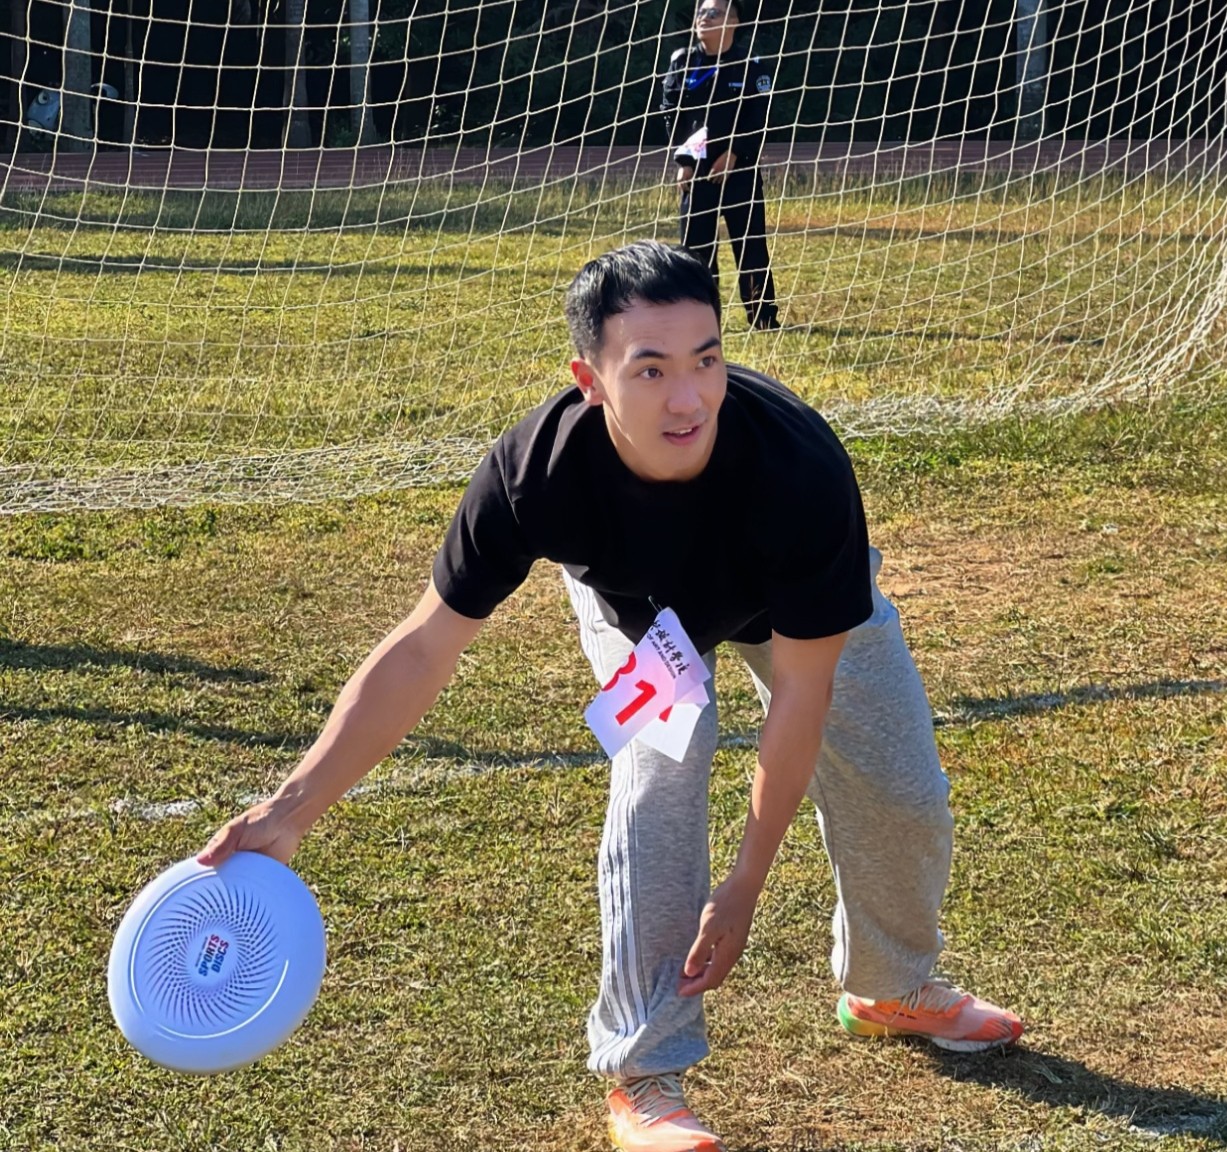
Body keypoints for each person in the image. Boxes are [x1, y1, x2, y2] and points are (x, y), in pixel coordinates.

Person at [198, 241, 1021, 1152]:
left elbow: (802, 691)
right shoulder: (534, 474)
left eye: (706, 360)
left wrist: (745, 881)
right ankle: (644, 1071)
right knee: (661, 774)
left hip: (796, 611)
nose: (689, 398)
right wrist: (292, 807)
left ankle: (890, 986)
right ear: (590, 381)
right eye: (651, 369)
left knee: (900, 787)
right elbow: (423, 649)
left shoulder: (799, 469)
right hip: (643, 619)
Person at [659, 0, 782, 331]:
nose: (704, 18)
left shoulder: (751, 66)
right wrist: (684, 160)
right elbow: (671, 113)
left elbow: (759, 118)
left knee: (750, 245)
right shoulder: (682, 62)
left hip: (739, 171)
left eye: (713, 13)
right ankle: (700, 321)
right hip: (697, 173)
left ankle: (763, 318)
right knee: (695, 252)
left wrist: (735, 153)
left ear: (734, 21)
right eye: (701, 12)